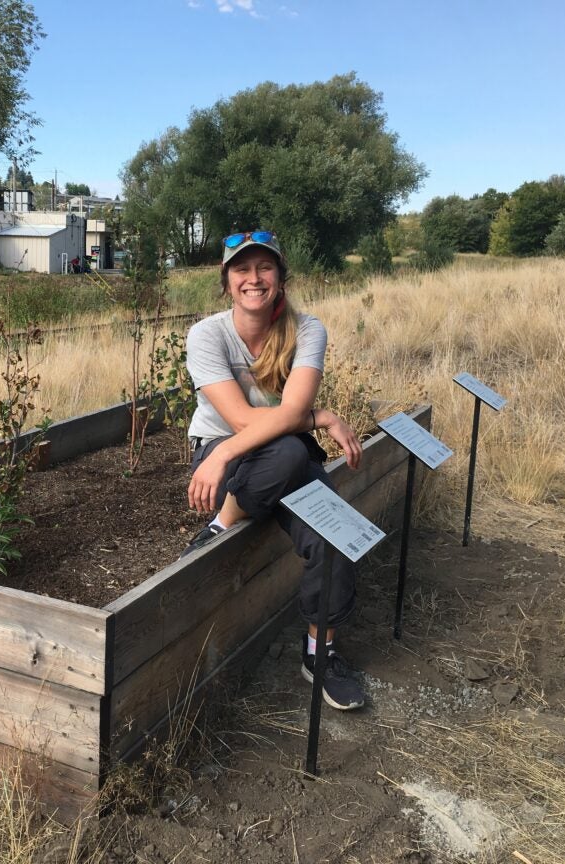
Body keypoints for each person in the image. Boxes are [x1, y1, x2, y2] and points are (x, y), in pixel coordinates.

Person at [182, 229, 366, 710]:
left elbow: (291, 411)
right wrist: (317, 418)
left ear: (281, 278)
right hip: (223, 449)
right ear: (226, 283)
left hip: (281, 454)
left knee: (335, 533)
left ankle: (318, 653)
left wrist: (303, 418)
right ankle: (227, 514)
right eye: (241, 269)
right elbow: (240, 421)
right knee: (287, 452)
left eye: (264, 268)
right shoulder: (207, 334)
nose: (253, 278)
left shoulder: (308, 330)